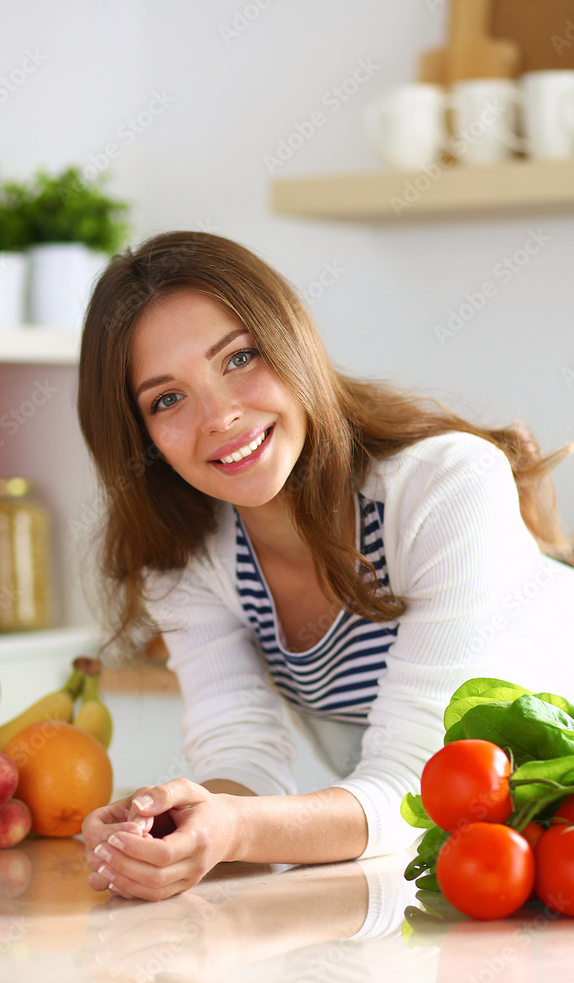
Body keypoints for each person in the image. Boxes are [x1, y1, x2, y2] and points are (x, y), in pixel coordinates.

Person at [77, 230, 574, 902]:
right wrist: (179, 820)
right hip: (488, 859)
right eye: (167, 399)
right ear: (142, 440)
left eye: (239, 357)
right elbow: (240, 755)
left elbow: (419, 782)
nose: (220, 415)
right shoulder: (188, 555)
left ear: (292, 342)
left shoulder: (442, 488)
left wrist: (237, 830)